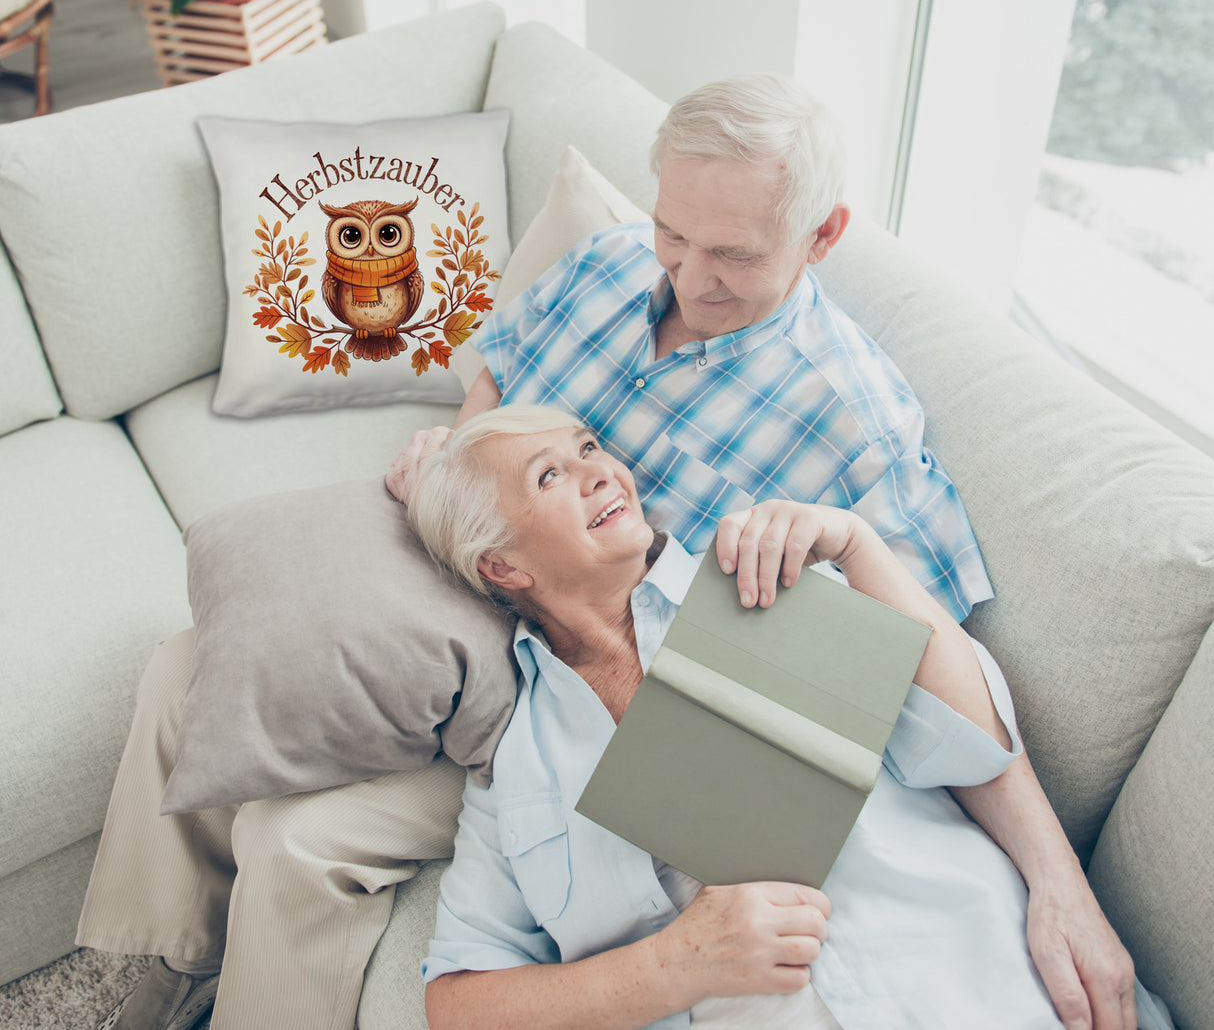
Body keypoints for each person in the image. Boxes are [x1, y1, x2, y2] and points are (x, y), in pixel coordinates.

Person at [79, 76, 1131, 1030]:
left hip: (578, 668)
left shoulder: (853, 423)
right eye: (674, 231)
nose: (687, 273)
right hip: (487, 562)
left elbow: (927, 671)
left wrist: (1057, 879)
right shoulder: (607, 263)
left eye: (732, 254)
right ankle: (159, 966)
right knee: (192, 663)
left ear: (820, 236)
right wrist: (457, 460)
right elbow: (500, 377)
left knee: (300, 840)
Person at [407, 404, 1159, 1030]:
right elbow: (458, 1003)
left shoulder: (762, 577)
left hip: (986, 983)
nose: (601, 471)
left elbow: (972, 744)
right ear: (502, 566)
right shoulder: (517, 768)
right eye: (550, 475)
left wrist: (858, 546)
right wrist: (674, 965)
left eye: (589, 448)